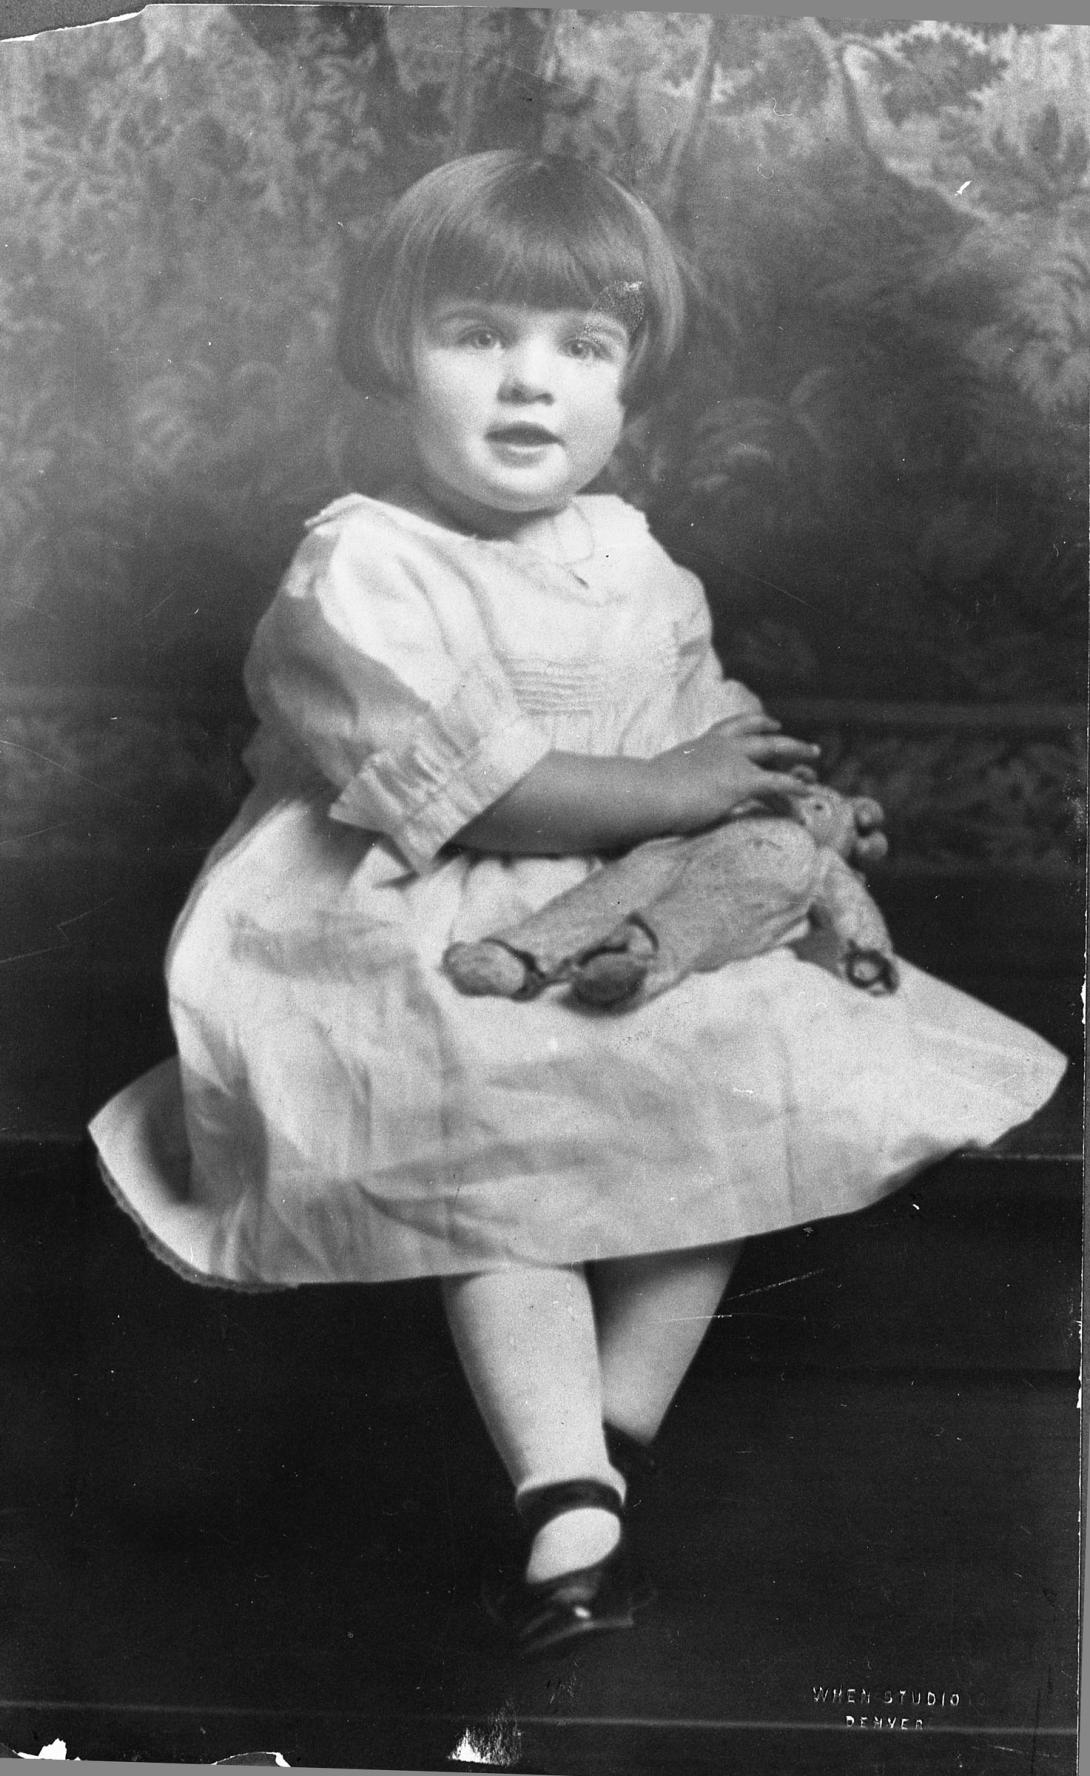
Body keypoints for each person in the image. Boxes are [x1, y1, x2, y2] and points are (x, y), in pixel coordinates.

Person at [91, 150, 1066, 1660]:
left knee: (755, 1082)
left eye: (580, 348)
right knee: (481, 1129)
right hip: (403, 909)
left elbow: (698, 729)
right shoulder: (359, 564)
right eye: (477, 335)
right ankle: (558, 1474)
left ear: (629, 390)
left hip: (616, 902)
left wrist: (772, 812)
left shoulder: (629, 555)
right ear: (388, 356)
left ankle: (606, 1446)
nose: (528, 384)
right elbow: (473, 793)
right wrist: (678, 787)